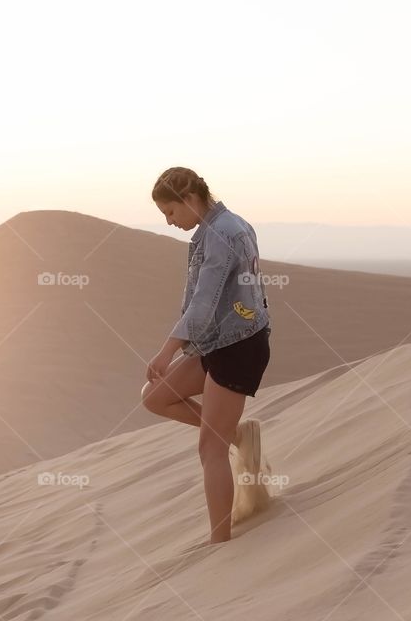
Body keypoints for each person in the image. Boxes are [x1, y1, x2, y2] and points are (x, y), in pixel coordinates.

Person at [141, 166, 272, 544]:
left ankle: (220, 545)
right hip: (218, 342)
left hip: (238, 347)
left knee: (208, 447)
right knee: (155, 397)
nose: (169, 222)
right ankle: (238, 437)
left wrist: (167, 351)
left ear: (190, 199)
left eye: (170, 212)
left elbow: (203, 303)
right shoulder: (223, 228)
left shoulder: (222, 234)